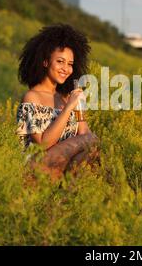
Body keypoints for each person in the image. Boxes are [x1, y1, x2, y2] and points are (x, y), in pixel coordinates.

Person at [16, 24, 100, 181]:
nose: (66, 69)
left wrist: (79, 106)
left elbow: (84, 134)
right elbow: (42, 144)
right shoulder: (32, 97)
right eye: (60, 61)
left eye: (70, 64)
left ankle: (69, 196)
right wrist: (68, 108)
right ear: (45, 62)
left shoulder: (66, 97)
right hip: (36, 169)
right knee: (92, 140)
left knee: (92, 148)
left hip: (61, 168)